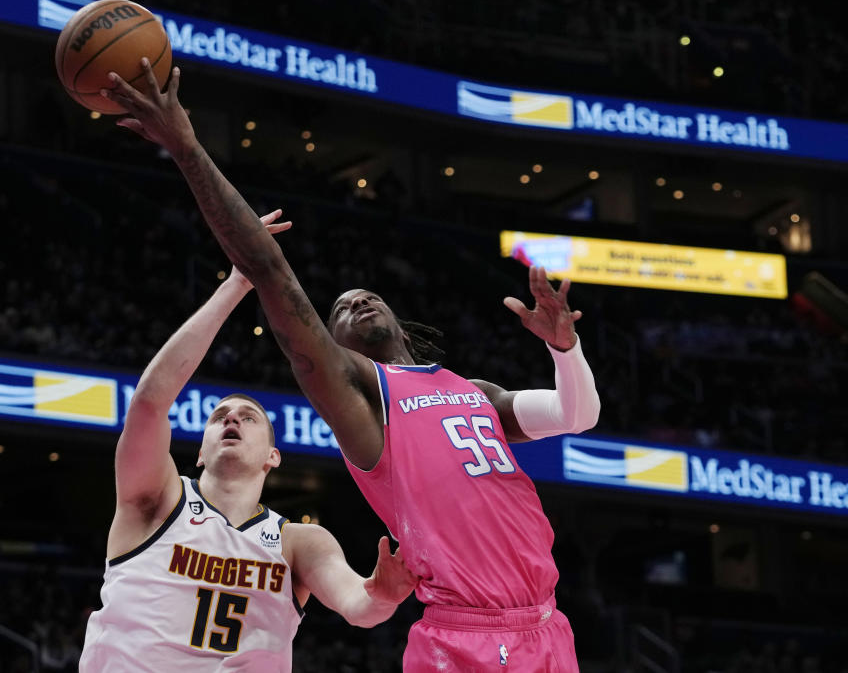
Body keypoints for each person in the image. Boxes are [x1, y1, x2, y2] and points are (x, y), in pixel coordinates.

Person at [104, 61, 601, 672]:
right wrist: (186, 146)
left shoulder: (476, 393)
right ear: (332, 348)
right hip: (467, 634)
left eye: (366, 296)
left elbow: (578, 414)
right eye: (338, 309)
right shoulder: (365, 403)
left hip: (549, 625)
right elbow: (271, 272)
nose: (355, 300)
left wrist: (564, 349)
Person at [79, 211, 419, 672]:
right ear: (199, 451)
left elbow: (359, 606)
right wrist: (239, 281)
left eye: (248, 417)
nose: (232, 419)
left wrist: (384, 594)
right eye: (219, 417)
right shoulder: (155, 499)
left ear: (272, 457)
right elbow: (148, 403)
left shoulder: (299, 542)